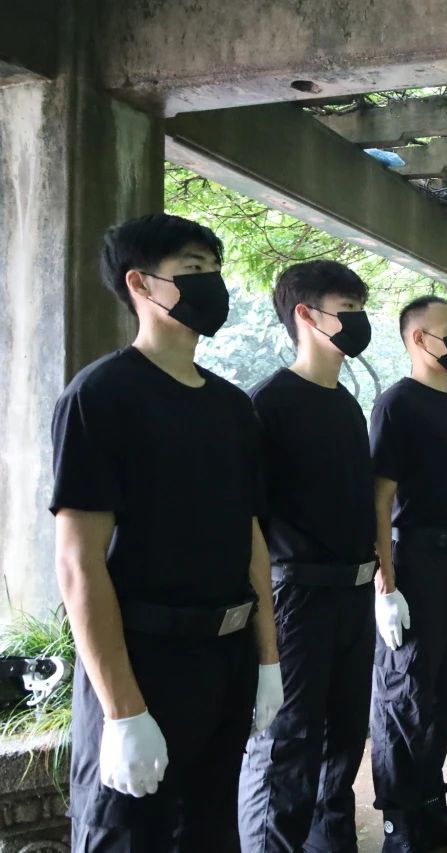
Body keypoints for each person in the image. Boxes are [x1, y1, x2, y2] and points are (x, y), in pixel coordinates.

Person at [51, 214, 281, 851]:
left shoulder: (233, 407)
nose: (213, 283)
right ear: (141, 284)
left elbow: (250, 536)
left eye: (215, 269)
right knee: (130, 835)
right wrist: (123, 710)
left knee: (210, 832)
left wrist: (267, 660)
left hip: (226, 659)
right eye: (192, 269)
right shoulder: (101, 395)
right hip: (144, 660)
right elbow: (78, 564)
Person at [237, 261, 377, 852]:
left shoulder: (346, 404)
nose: (359, 321)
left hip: (353, 593)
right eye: (347, 310)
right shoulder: (267, 404)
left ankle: (331, 842)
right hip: (296, 596)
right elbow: (249, 522)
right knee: (286, 747)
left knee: (344, 738)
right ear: (306, 314)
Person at [368, 295, 447, 849]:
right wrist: (385, 584)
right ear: (419, 338)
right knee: (406, 695)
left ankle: (430, 804)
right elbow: (380, 499)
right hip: (411, 564)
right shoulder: (397, 404)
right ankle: (400, 823)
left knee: (444, 688)